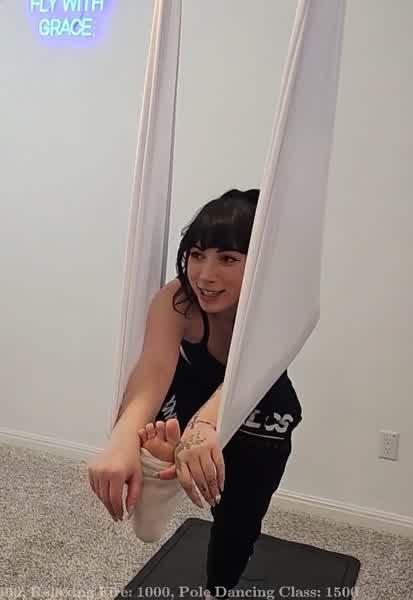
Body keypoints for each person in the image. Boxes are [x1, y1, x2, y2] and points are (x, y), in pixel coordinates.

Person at [88, 188, 303, 598]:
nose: (205, 275)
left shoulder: (279, 306)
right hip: (188, 395)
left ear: (260, 262)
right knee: (152, 430)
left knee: (237, 519)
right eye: (197, 254)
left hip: (261, 403)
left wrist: (204, 427)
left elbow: (245, 377)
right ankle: (165, 458)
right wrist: (120, 439)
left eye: (228, 259)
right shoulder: (178, 299)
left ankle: (217, 590)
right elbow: (153, 369)